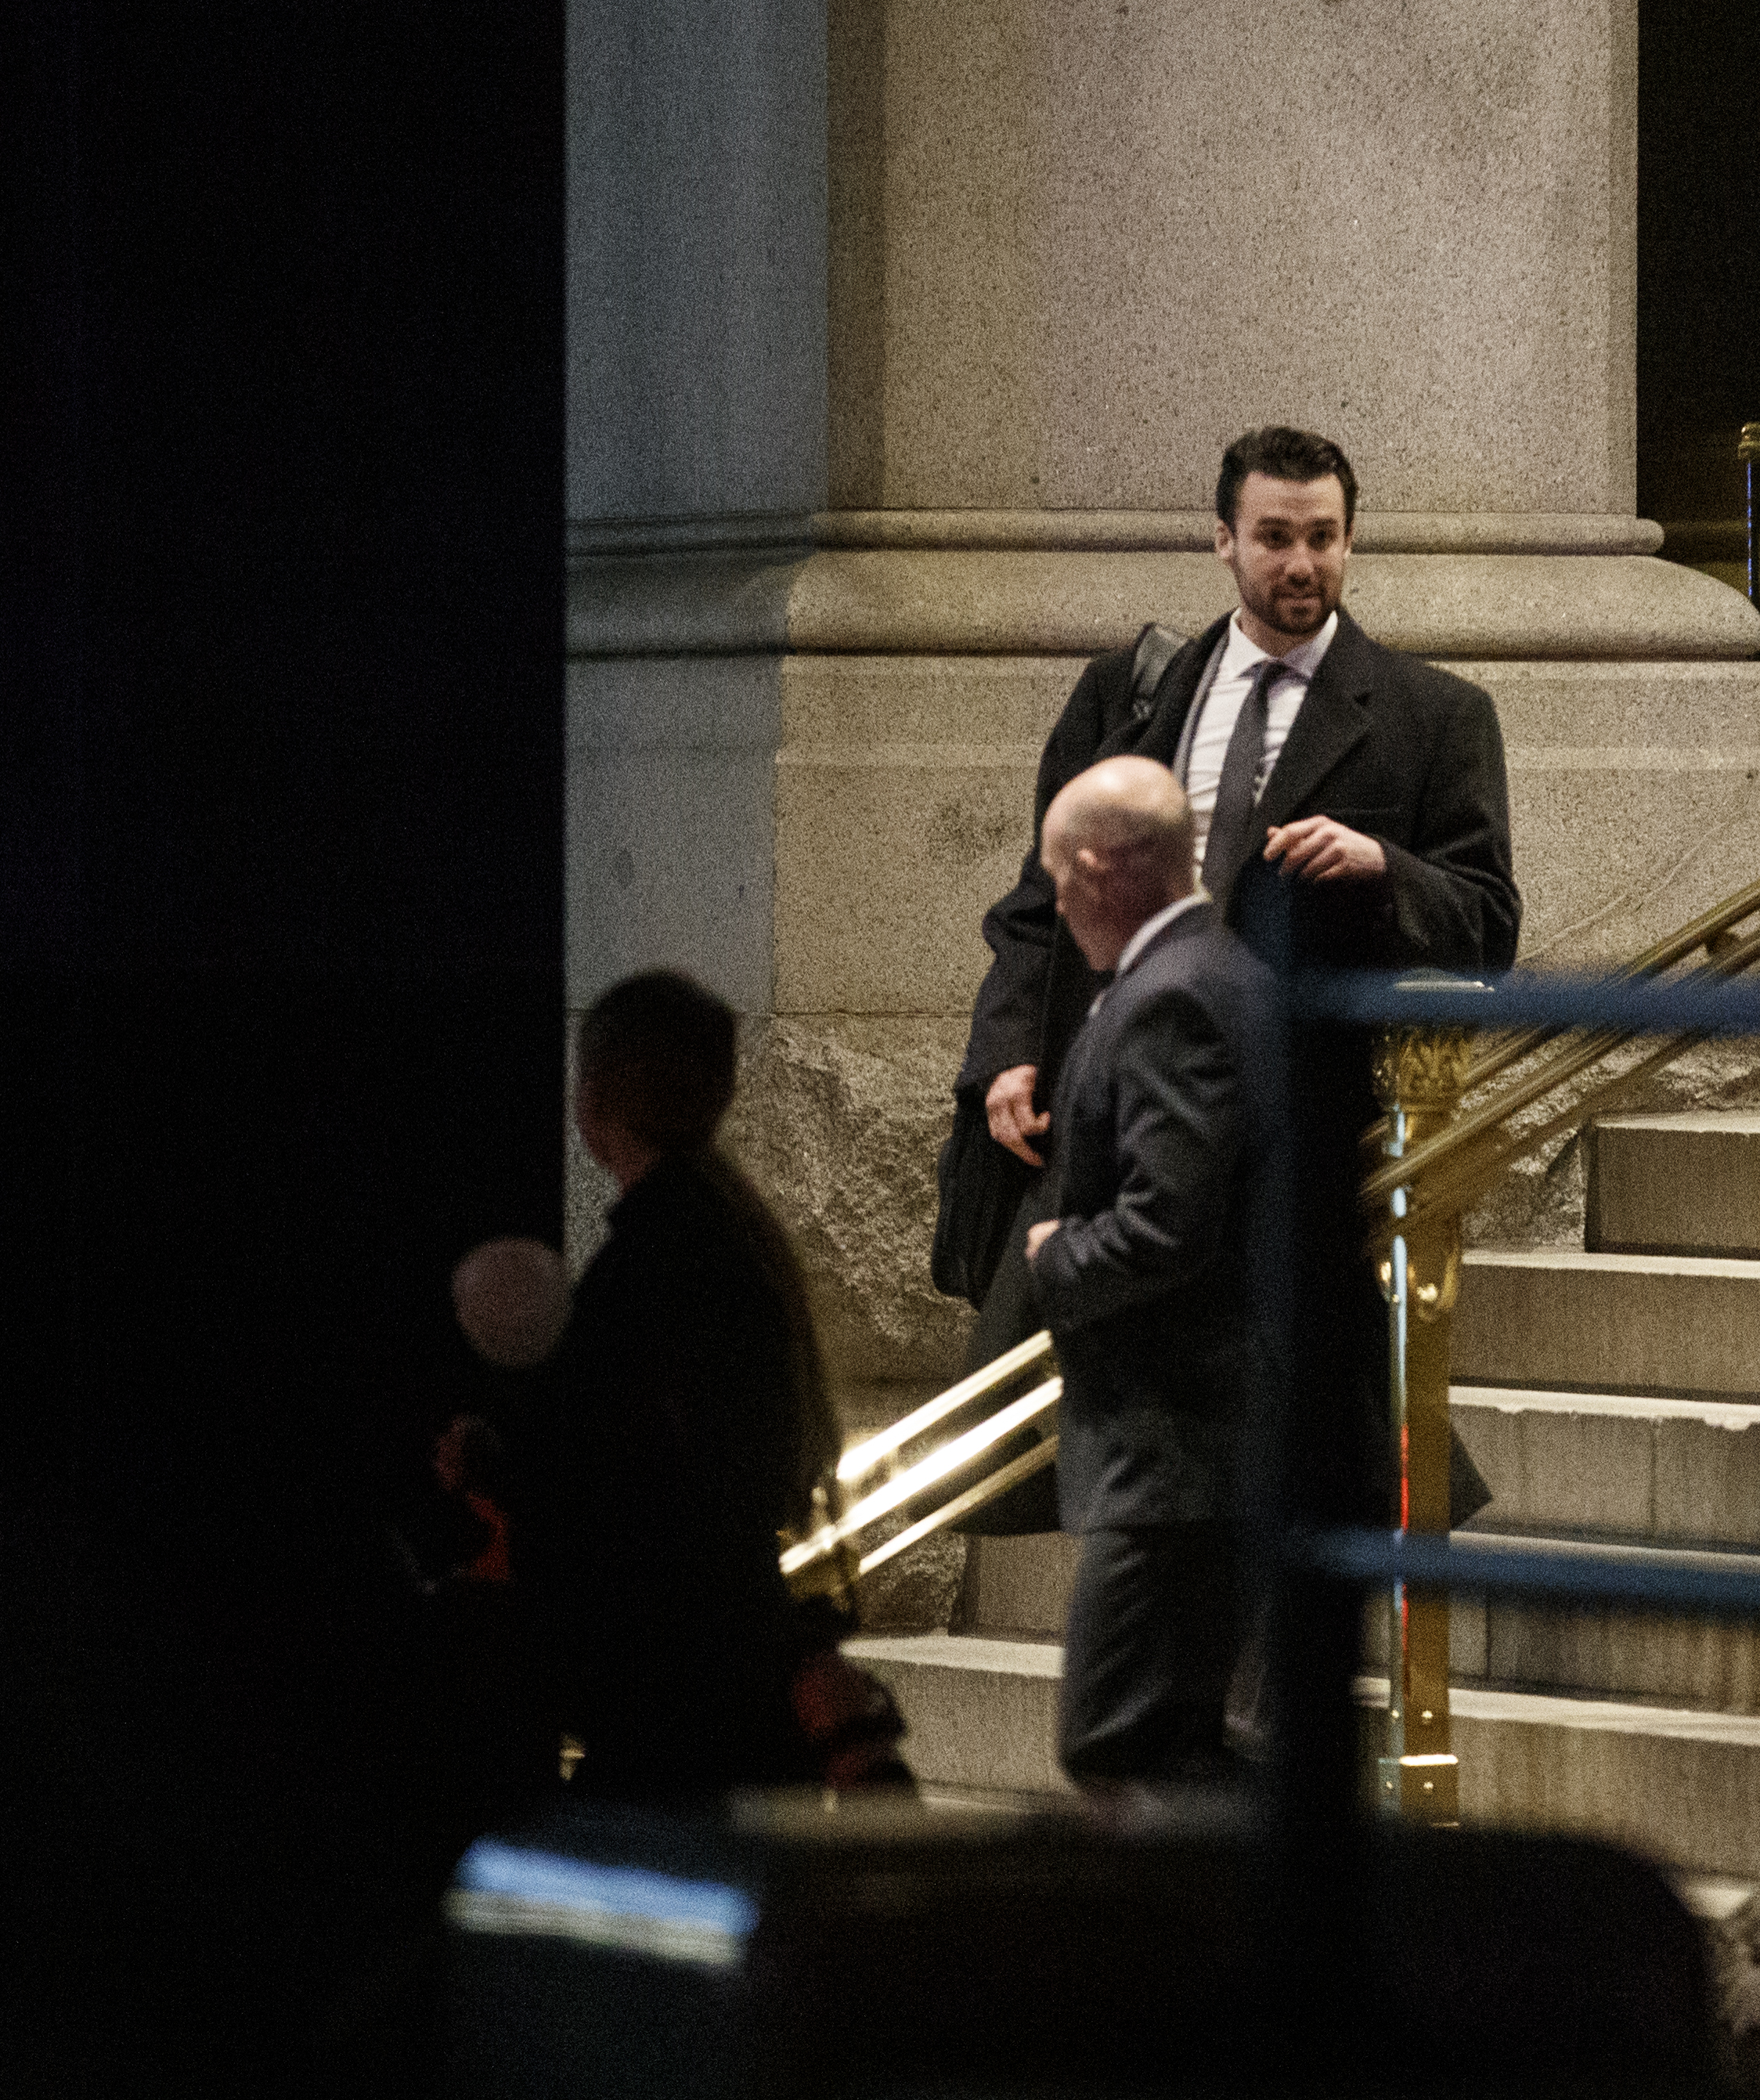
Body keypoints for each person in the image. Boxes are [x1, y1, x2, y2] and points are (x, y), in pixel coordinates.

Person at [947, 424, 1520, 1523]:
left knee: (1283, 1412)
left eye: (1323, 537)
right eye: (1273, 537)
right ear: (1222, 540)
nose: (1299, 563)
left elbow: (1488, 927)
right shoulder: (1130, 693)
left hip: (1280, 1109)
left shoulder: (1432, 715)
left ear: (1350, 541)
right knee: (1043, 1425)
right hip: (1117, 1089)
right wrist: (1009, 1051)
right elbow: (1038, 900)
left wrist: (1381, 864)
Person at [485, 969, 853, 1802]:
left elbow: (614, 1474)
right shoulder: (735, 1237)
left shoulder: (648, 1262)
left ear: (595, 1097)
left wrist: (502, 1464)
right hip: (737, 1663)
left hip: (675, 1686)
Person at [1020, 756, 1274, 1792]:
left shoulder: (1177, 997)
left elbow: (1166, 1224)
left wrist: (1056, 1257)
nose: (1055, 902)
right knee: (1170, 1742)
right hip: (1196, 1445)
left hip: (1187, 1450)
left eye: (1054, 878)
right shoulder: (1213, 971)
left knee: (1118, 1741)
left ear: (1092, 869)